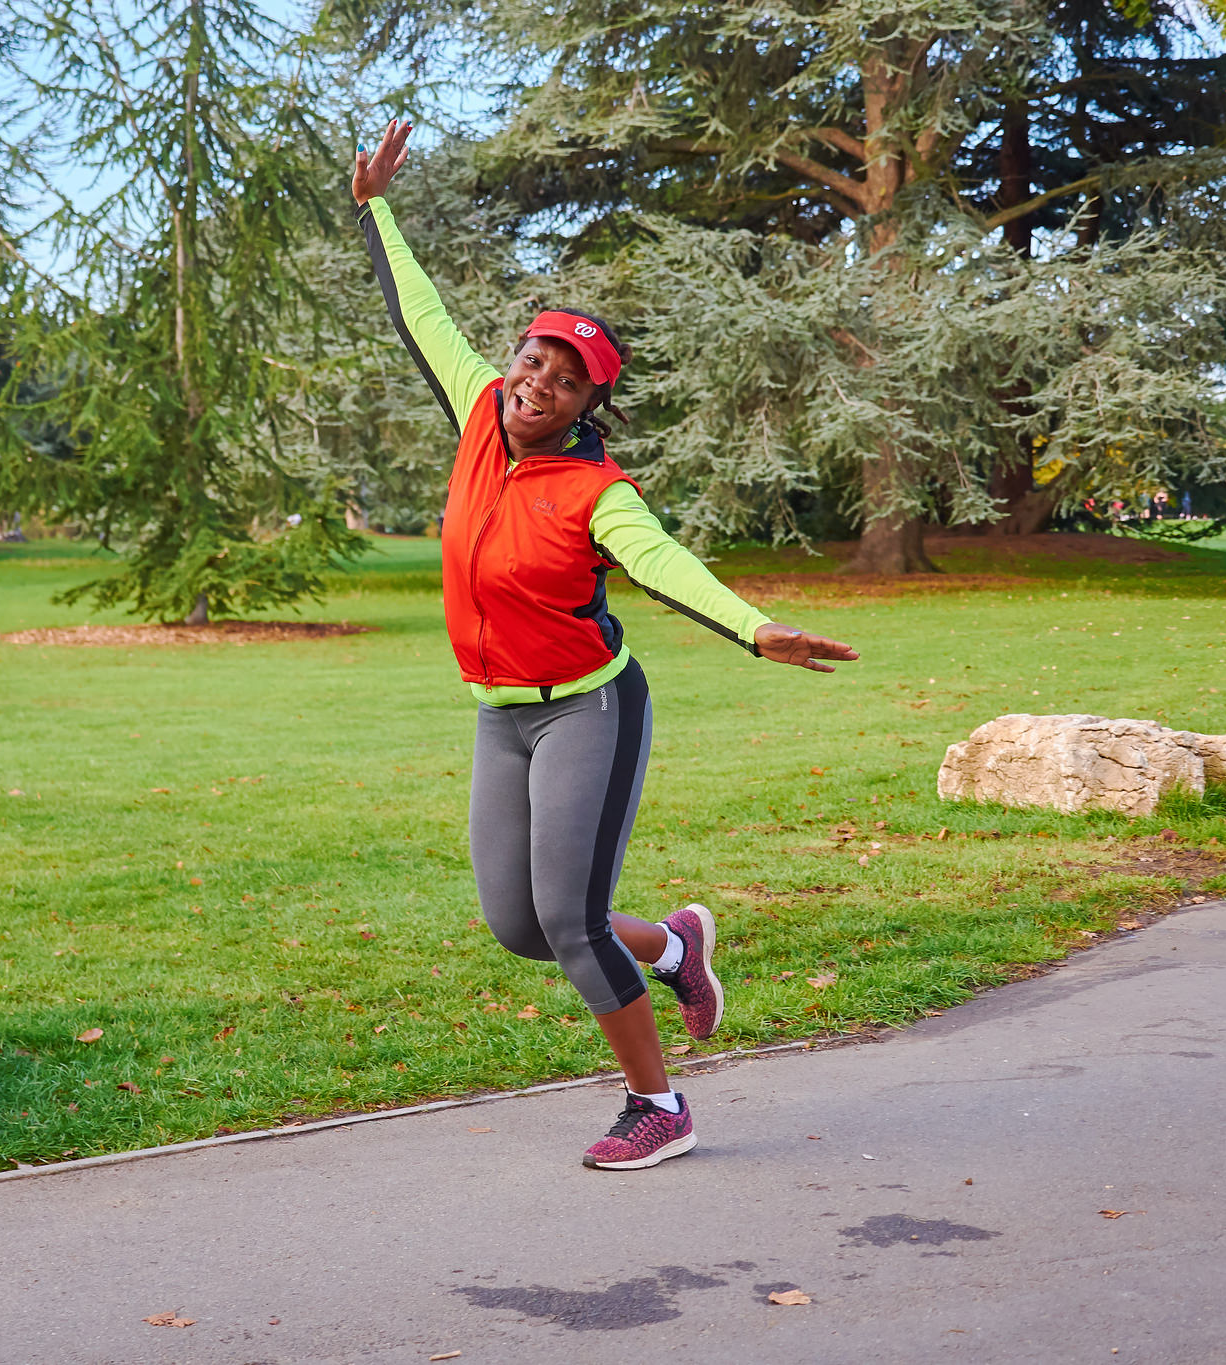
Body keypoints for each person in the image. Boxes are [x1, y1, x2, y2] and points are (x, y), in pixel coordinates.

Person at [350, 120, 858, 1170]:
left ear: (591, 404)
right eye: (532, 361)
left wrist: (754, 628)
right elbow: (419, 312)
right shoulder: (479, 413)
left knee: (572, 922)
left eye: (566, 378)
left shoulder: (598, 491)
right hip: (500, 715)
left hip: (588, 707)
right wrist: (376, 209)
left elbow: (665, 564)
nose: (538, 382)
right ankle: (673, 947)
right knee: (520, 925)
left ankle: (659, 1105)